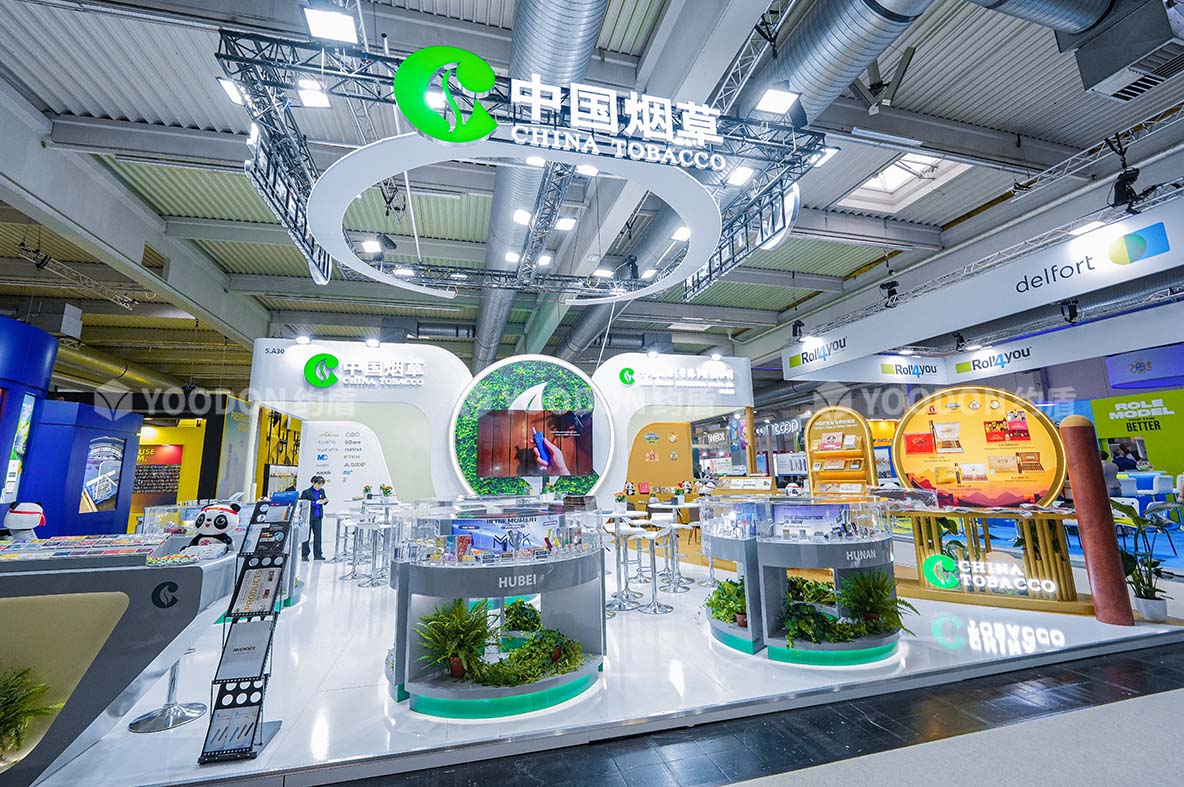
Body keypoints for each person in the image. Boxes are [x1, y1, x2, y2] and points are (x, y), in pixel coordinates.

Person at [300, 475, 328, 560]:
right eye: (318, 484)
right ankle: (305, 555)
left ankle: (318, 555)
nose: (320, 486)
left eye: (321, 484)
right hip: (308, 517)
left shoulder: (322, 491)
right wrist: (316, 502)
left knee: (318, 536)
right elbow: (304, 504)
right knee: (306, 536)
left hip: (318, 516)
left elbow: (324, 499)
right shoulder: (306, 492)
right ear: (313, 483)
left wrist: (325, 501)